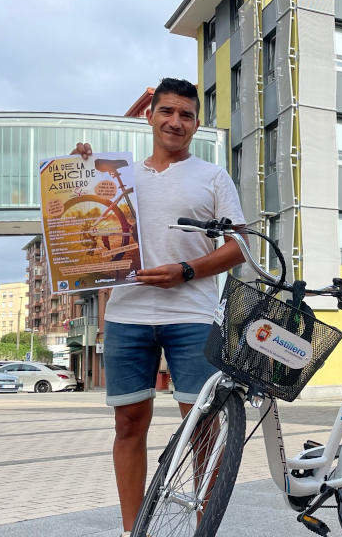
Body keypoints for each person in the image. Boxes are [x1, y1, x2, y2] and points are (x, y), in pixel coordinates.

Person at [71, 77, 246, 537]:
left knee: (202, 429)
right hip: (126, 314)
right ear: (150, 117)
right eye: (167, 111)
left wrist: (185, 270)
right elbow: (81, 213)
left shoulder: (212, 176)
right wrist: (78, 172)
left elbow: (240, 246)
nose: (175, 121)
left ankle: (200, 526)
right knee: (129, 422)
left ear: (196, 123)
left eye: (186, 115)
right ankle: (133, 531)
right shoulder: (120, 178)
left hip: (192, 312)